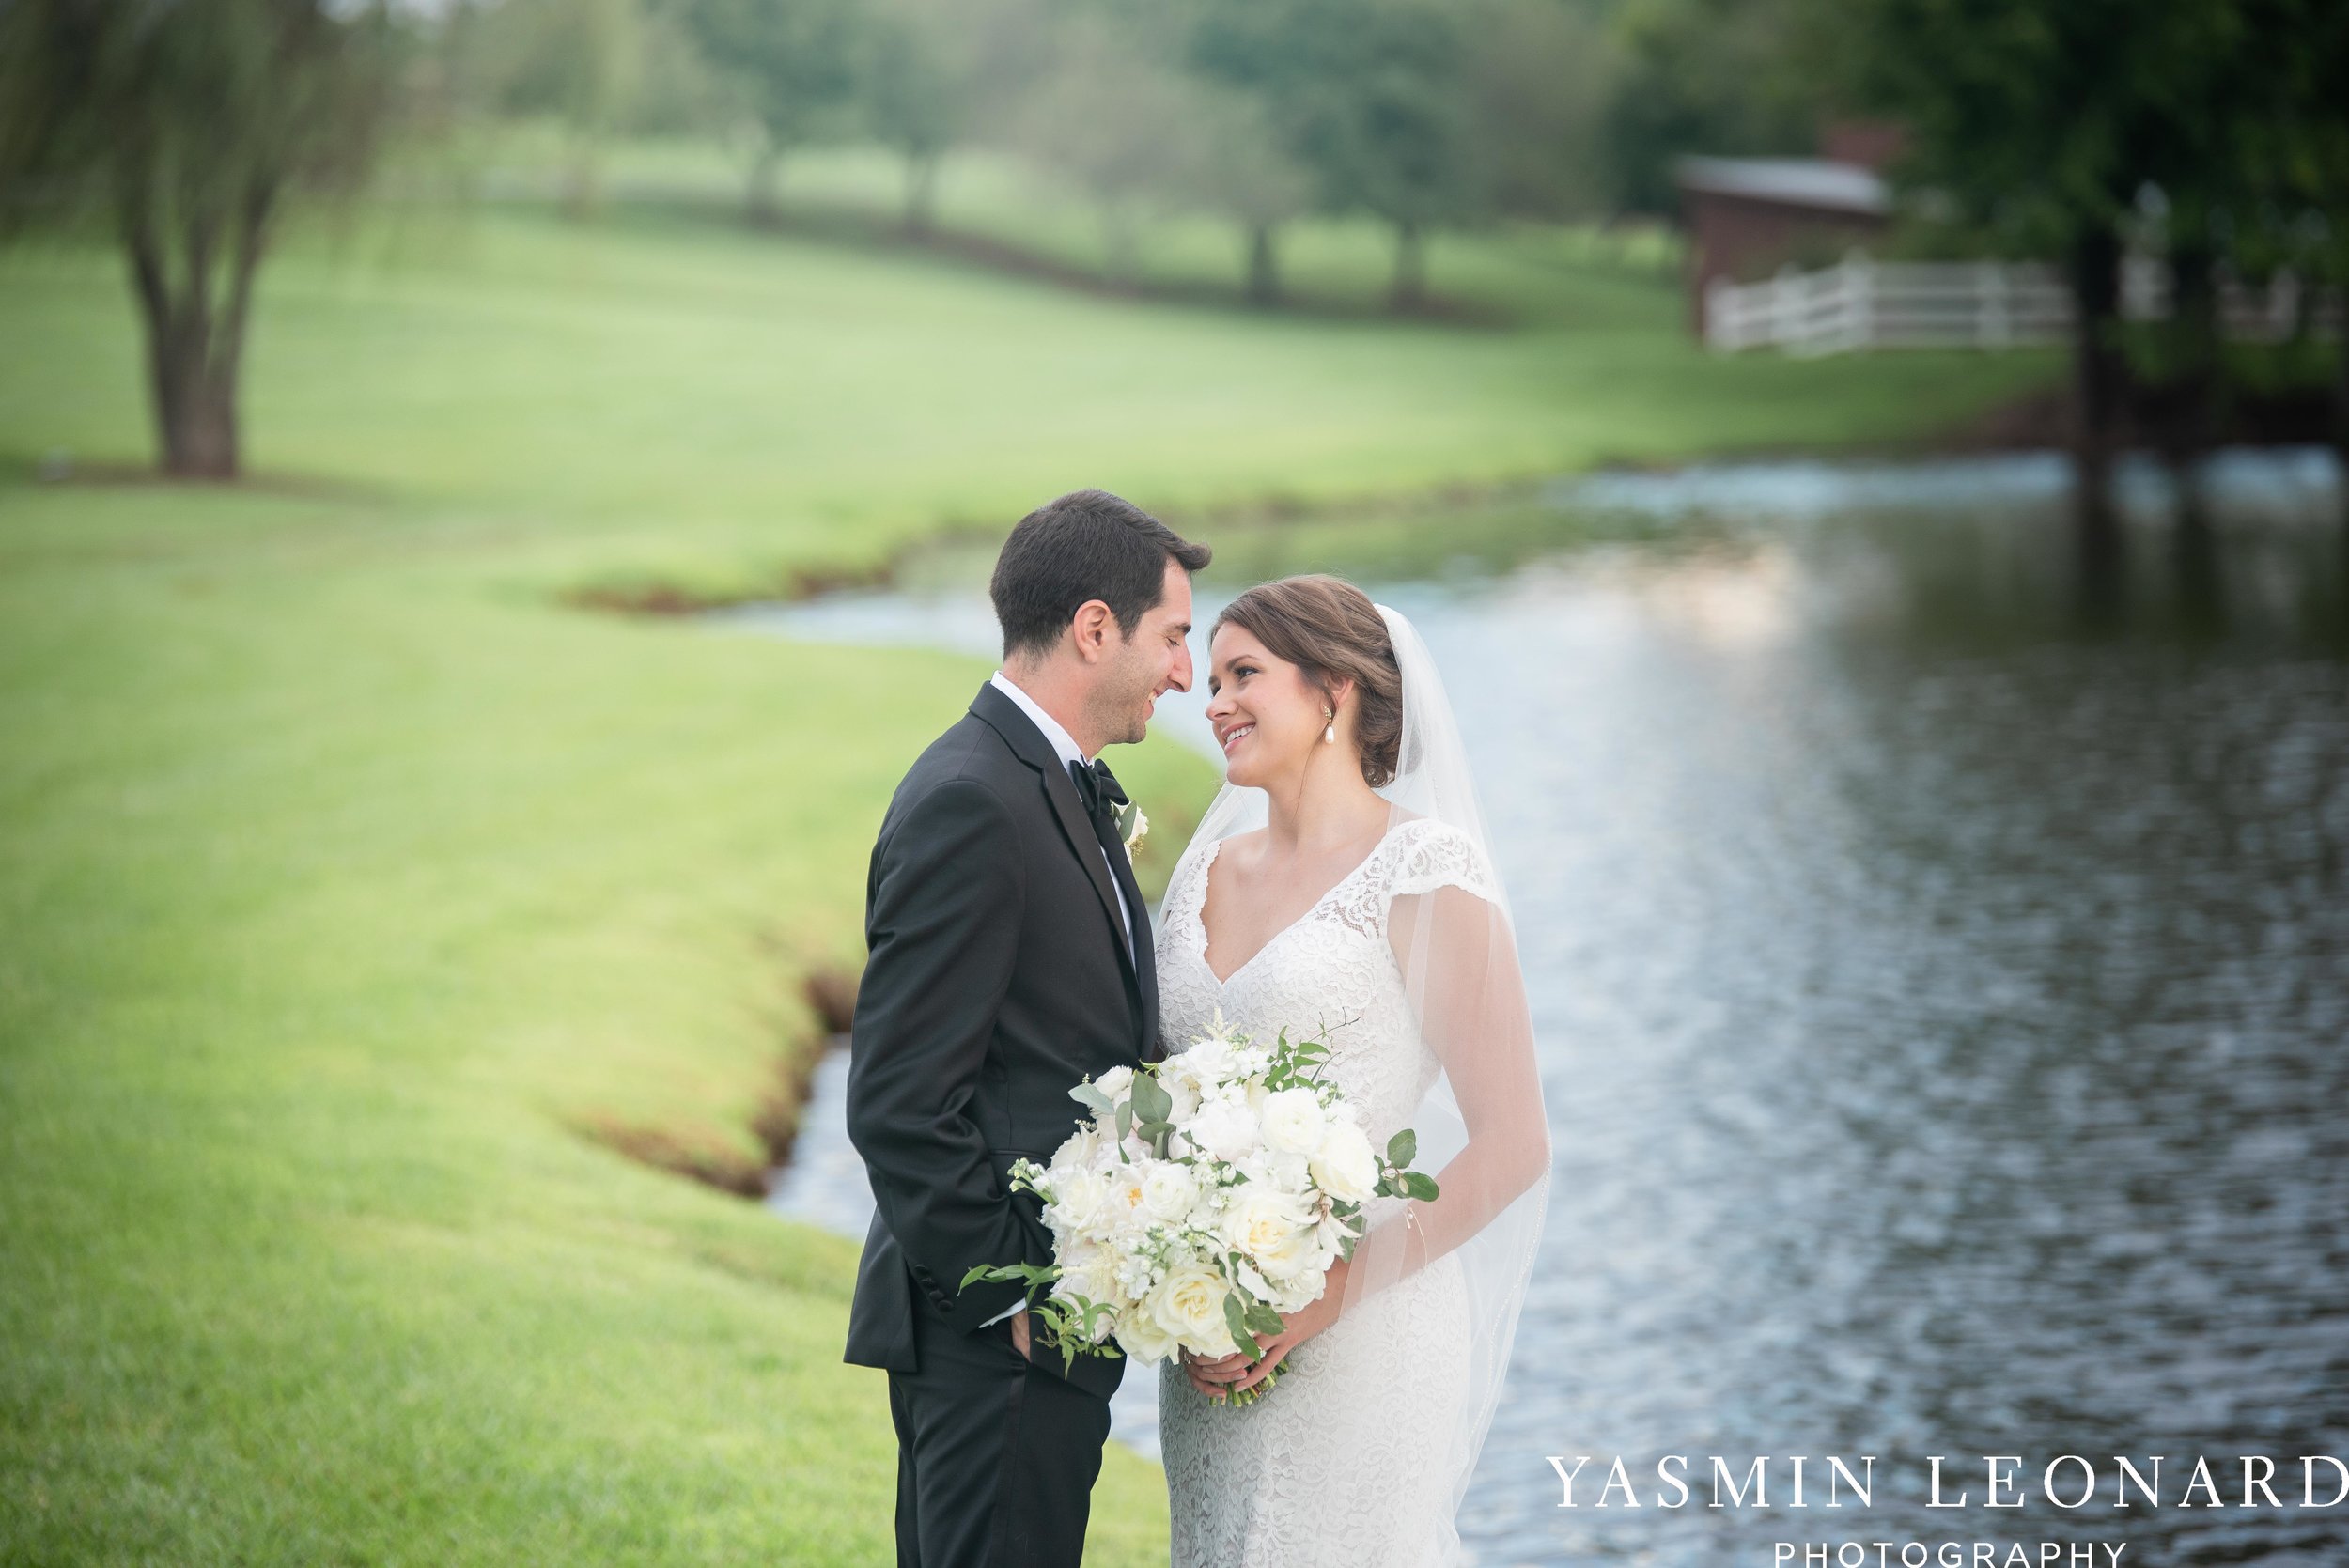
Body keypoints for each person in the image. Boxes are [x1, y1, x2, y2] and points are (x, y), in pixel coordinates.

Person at [840, 488, 1209, 1567]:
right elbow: (900, 1100)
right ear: (1096, 628)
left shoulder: (1052, 781)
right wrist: (1017, 1293)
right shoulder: (974, 797)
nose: (1184, 673)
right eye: (1174, 638)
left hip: (1038, 1343)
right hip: (995, 1343)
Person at [1155, 574, 1553, 1567]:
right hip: (1211, 1337)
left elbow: (1513, 1145)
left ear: (1334, 692)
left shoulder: (1424, 872)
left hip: (1365, 1324)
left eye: (1245, 673)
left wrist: (1319, 1295)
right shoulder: (1203, 874)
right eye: (1210, 678)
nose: (1215, 702)